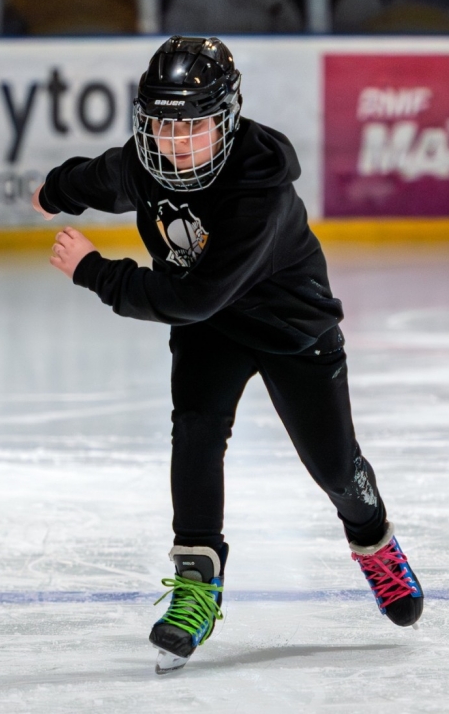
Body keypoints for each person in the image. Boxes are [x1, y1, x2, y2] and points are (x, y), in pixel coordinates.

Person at [31, 36, 423, 674]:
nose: (175, 144)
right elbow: (104, 175)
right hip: (212, 328)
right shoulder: (146, 161)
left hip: (288, 325)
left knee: (334, 467)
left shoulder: (256, 189)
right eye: (162, 126)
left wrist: (94, 271)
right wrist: (55, 190)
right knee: (195, 431)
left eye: (194, 128)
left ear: (228, 121)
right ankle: (196, 584)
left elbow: (190, 296)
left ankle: (373, 539)